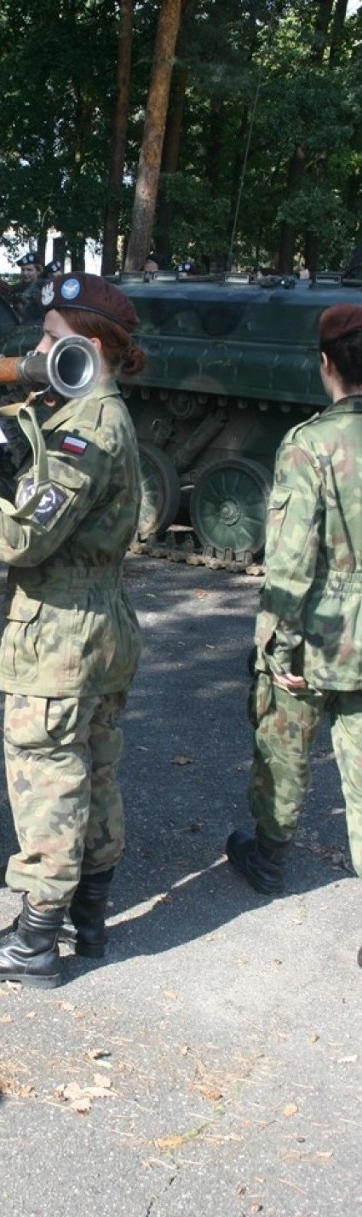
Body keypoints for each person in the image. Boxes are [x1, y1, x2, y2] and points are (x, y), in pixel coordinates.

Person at [0, 273, 146, 987]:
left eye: (50, 337)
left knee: (50, 778)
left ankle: (37, 939)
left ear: (91, 344)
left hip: (62, 636)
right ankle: (89, 917)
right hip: (98, 626)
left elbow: (25, 538)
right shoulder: (81, 415)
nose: (38, 349)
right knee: (94, 769)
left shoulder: (91, 428)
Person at [225, 302, 362, 965]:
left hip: (320, 633)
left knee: (284, 739)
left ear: (326, 364)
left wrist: (276, 645)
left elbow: (290, 559)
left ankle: (271, 858)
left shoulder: (310, 444)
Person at [11, 251, 44, 322]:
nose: (25, 273)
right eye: (23, 270)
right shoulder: (16, 290)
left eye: (29, 270)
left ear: (38, 271)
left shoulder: (45, 288)